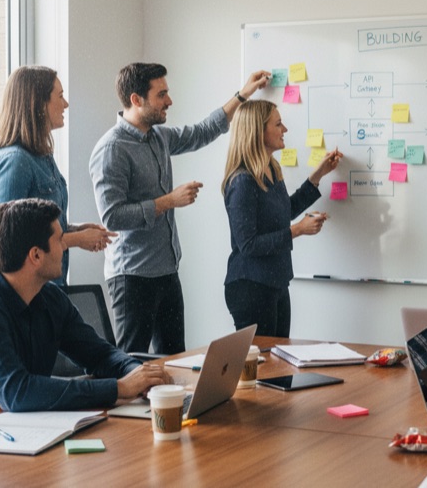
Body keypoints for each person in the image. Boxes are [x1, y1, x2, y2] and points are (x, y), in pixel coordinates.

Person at [90, 63, 271, 355]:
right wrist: (168, 201)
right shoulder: (112, 149)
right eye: (161, 95)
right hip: (132, 277)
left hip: (167, 269)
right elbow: (113, 216)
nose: (169, 101)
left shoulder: (159, 137)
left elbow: (203, 131)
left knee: (174, 359)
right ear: (136, 99)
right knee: (131, 364)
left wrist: (243, 94)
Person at [0, 199, 172, 411]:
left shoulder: (51, 298)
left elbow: (100, 355)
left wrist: (139, 375)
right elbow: (16, 391)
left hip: (32, 423)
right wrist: (119, 388)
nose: (65, 247)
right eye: (60, 240)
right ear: (36, 255)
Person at [222, 100, 343, 337]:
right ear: (258, 131)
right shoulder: (242, 181)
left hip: (276, 283)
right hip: (251, 286)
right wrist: (298, 230)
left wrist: (318, 175)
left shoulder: (271, 169)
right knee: (263, 361)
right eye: (278, 124)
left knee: (279, 359)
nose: (285, 129)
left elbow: (284, 211)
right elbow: (248, 244)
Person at [0, 66, 115, 285]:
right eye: (60, 96)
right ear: (38, 103)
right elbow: (10, 241)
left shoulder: (43, 156)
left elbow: (36, 226)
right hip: (22, 296)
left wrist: (75, 229)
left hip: (48, 291)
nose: (66, 104)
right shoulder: (15, 161)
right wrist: (76, 239)